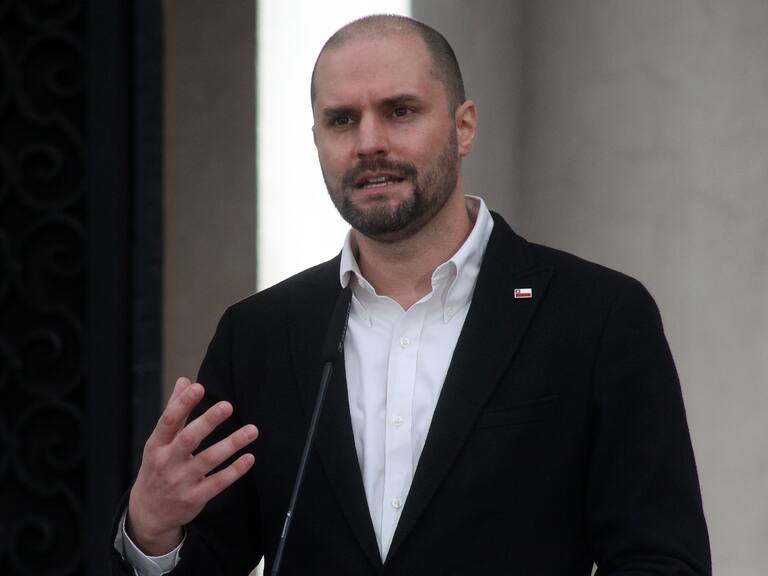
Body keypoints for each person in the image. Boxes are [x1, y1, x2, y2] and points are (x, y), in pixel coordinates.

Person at [111, 14, 711, 575]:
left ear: (463, 126)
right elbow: (211, 559)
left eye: (400, 112)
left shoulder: (597, 316)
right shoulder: (259, 335)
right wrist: (152, 531)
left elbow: (660, 559)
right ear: (316, 139)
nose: (369, 142)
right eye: (342, 120)